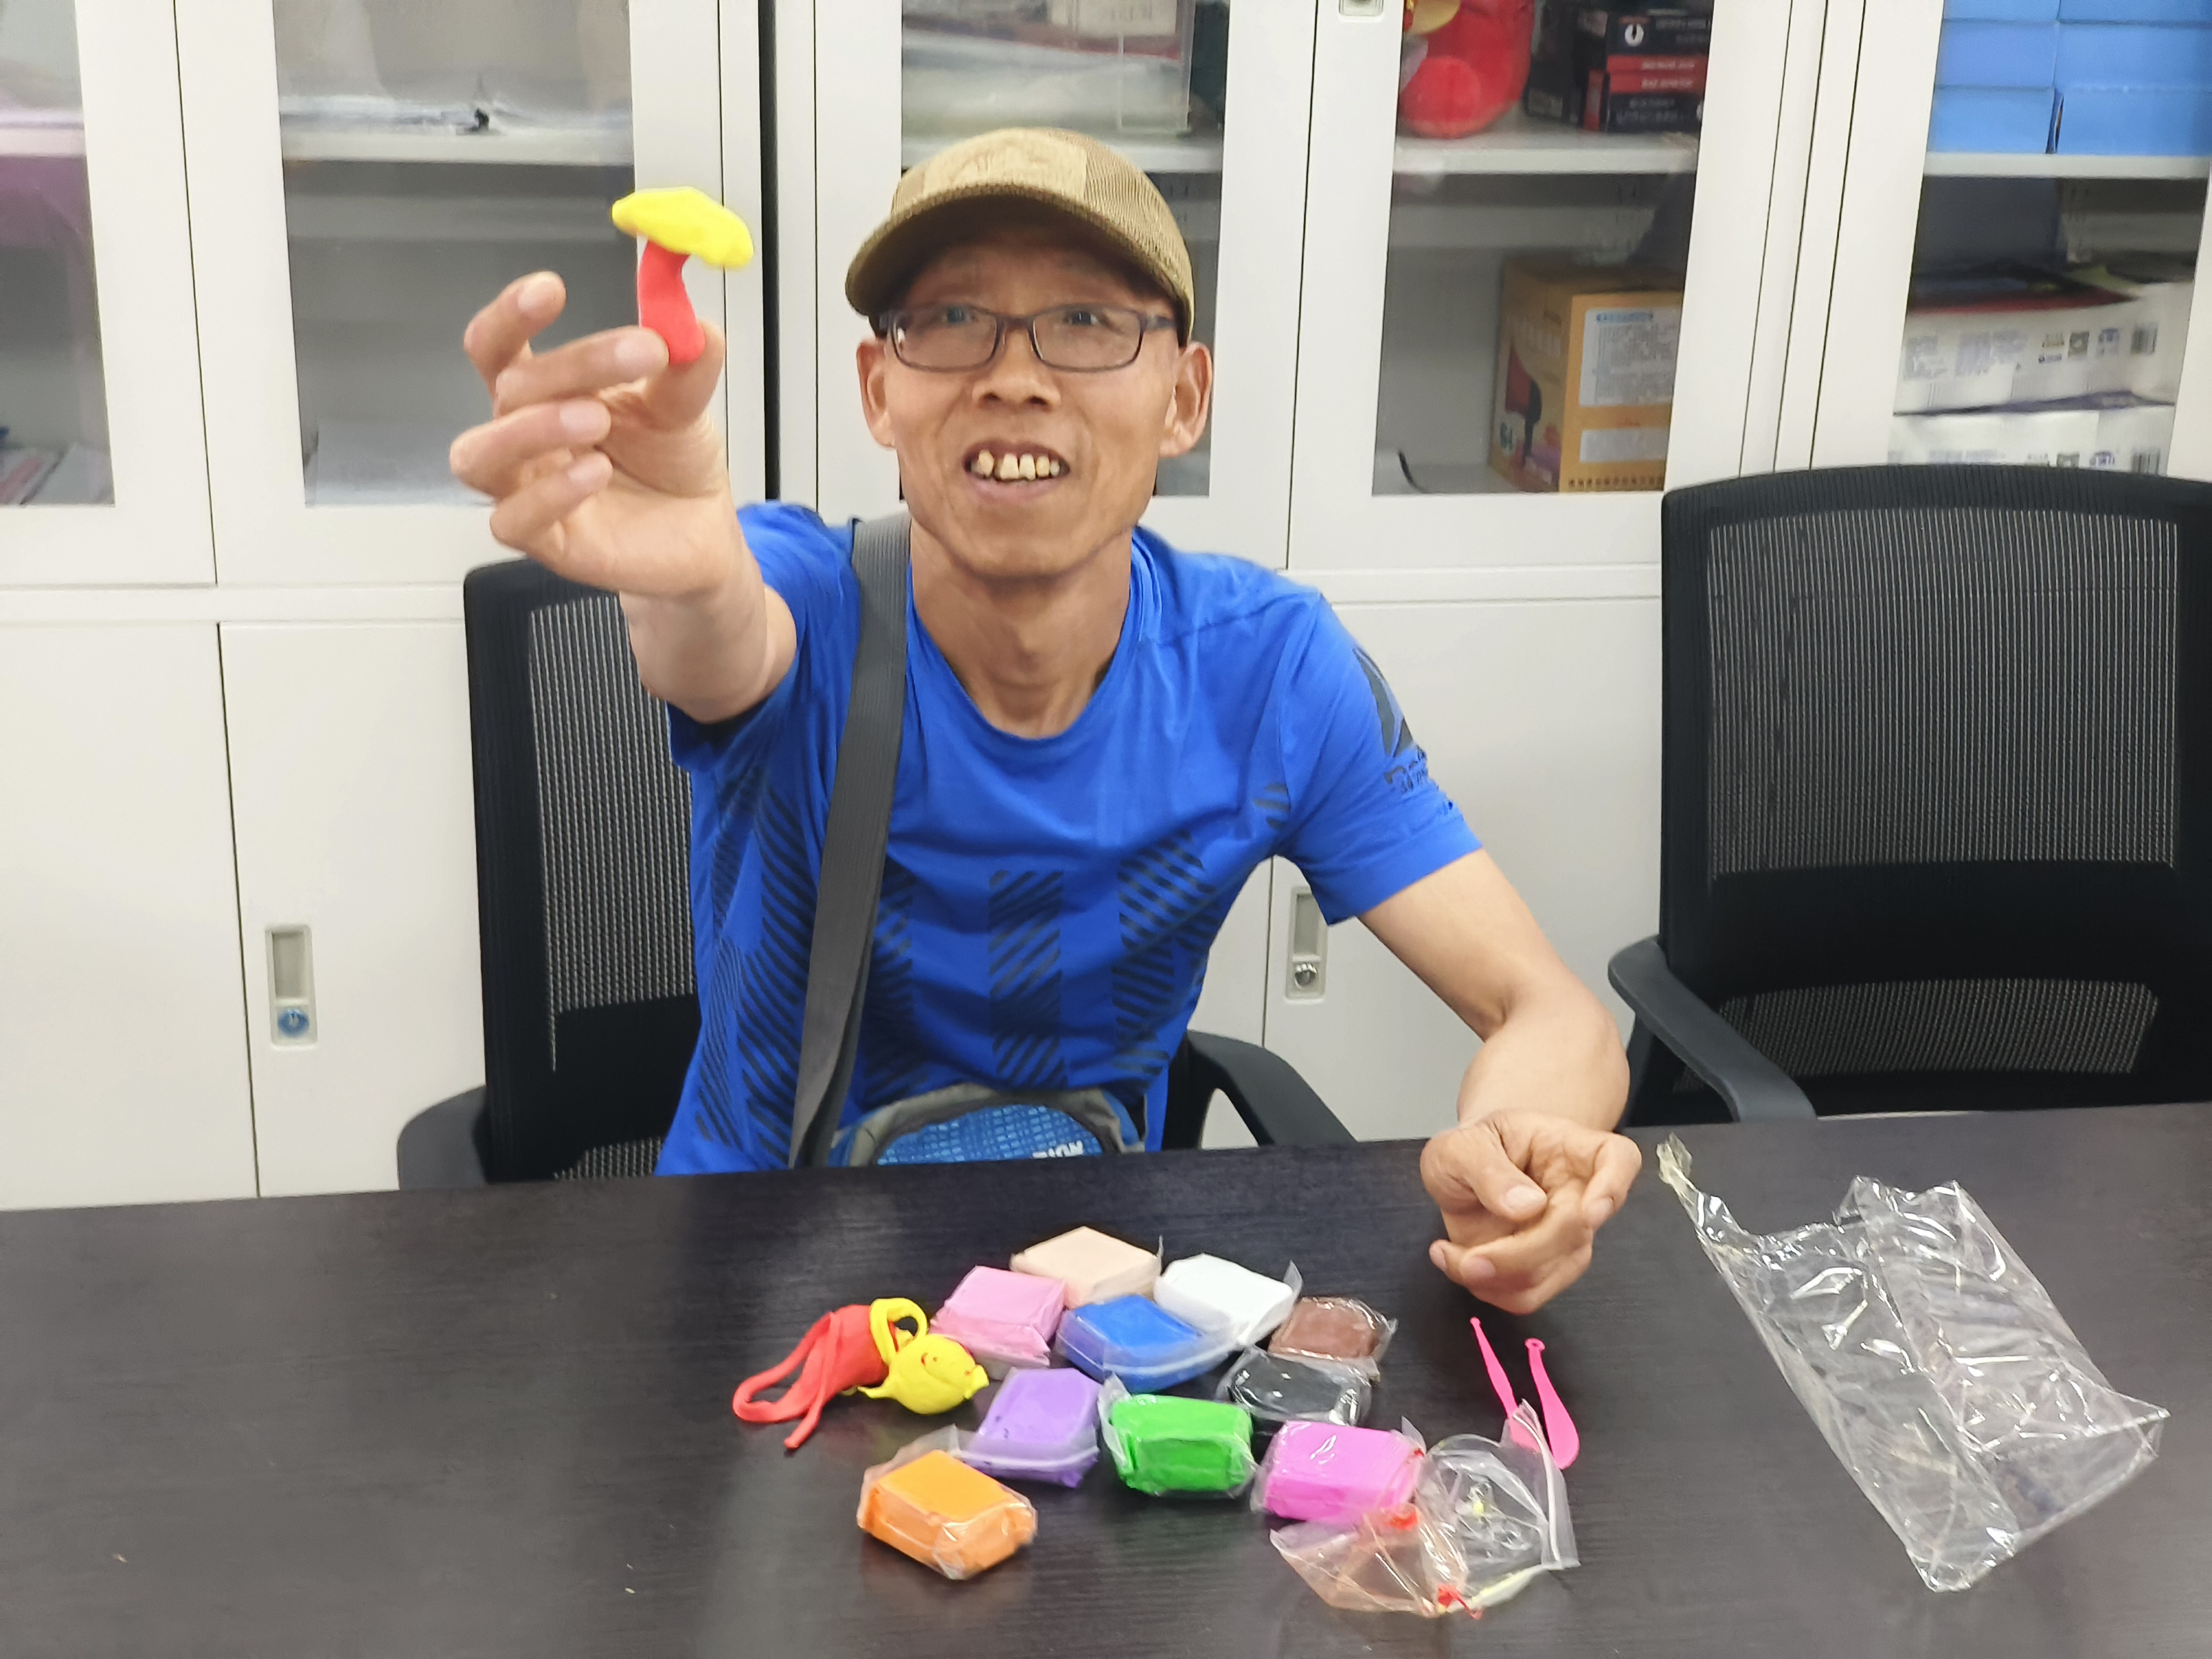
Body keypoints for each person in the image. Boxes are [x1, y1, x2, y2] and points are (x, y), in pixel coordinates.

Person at [449, 128, 1638, 1314]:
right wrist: (681, 581)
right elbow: (715, 633)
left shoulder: (1268, 671)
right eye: (952, 320)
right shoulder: (800, 597)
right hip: (754, 1281)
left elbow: (1550, 1012)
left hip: (1087, 1298)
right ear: (880, 390)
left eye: (1085, 321)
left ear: (1184, 399)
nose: (1014, 376)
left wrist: (1520, 1151)